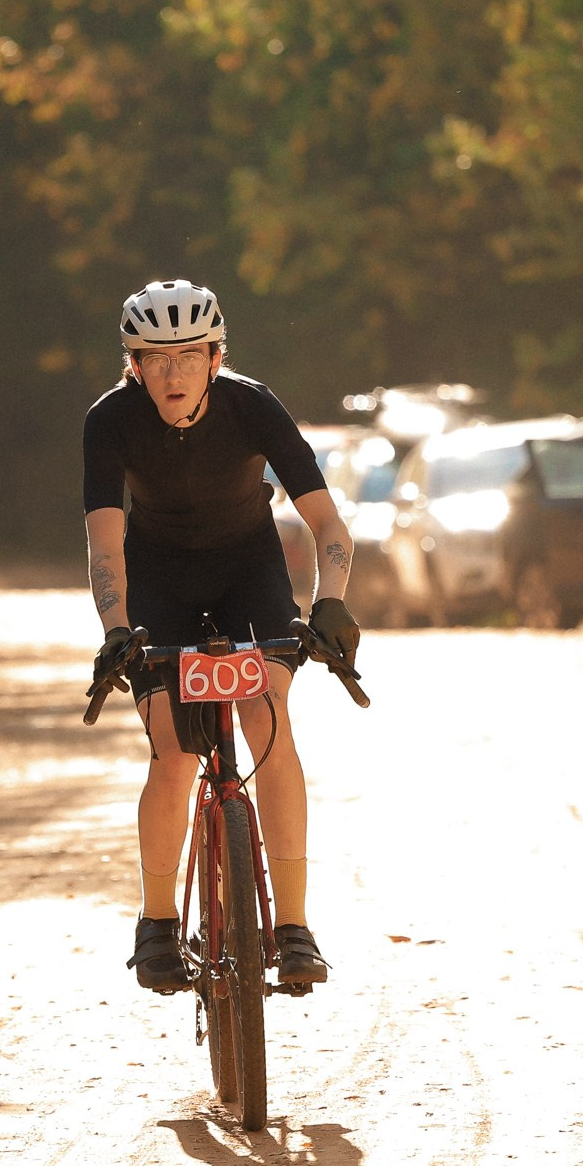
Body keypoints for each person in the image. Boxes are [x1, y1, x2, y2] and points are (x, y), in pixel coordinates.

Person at [82, 279, 361, 992]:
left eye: (188, 356)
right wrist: (117, 630)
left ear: (215, 356)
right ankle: (156, 927)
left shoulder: (253, 406)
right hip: (155, 582)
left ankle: (293, 928)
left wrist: (329, 605)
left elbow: (329, 526)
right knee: (174, 751)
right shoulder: (110, 421)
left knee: (267, 717)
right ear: (133, 365)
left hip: (249, 570)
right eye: (155, 359)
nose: (172, 374)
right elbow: (106, 547)